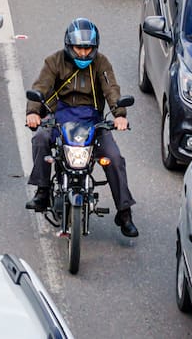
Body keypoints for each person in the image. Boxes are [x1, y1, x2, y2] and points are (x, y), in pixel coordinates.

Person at [24, 19, 139, 238]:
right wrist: (33, 112)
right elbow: (40, 86)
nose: (84, 53)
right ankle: (42, 190)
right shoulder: (53, 61)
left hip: (92, 121)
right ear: (69, 45)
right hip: (60, 117)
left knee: (113, 157)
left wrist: (119, 115)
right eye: (79, 48)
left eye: (88, 48)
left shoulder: (102, 63)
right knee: (40, 138)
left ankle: (124, 213)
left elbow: (111, 89)